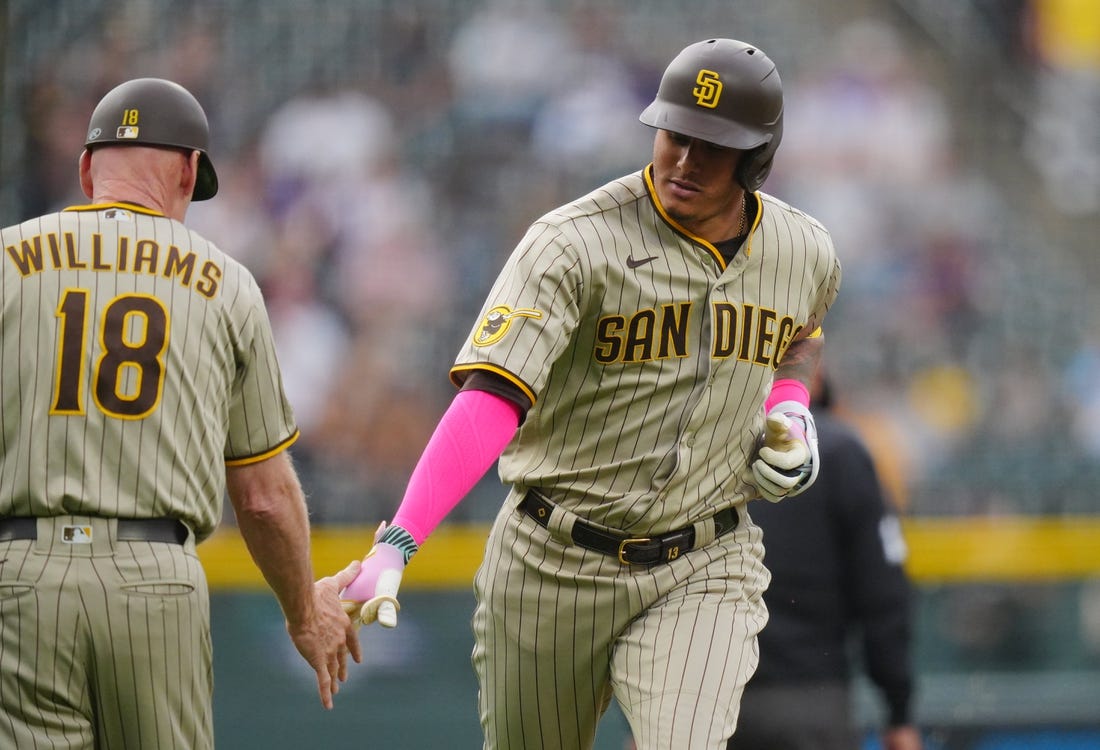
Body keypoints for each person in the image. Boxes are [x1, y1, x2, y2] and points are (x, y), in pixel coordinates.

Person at [341, 38, 842, 748]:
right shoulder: (573, 242)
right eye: (676, 135)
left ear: (756, 157)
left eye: (713, 145)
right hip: (552, 561)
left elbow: (803, 334)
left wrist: (788, 404)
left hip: (704, 561)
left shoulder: (804, 251)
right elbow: (492, 399)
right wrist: (397, 542)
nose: (686, 160)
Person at [0, 78, 361, 750]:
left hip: (22, 574)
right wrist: (304, 612)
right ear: (190, 172)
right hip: (154, 579)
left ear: (86, 169)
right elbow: (261, 499)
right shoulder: (227, 283)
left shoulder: (6, 260)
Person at [727, 372, 923, 750]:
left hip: (705, 699)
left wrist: (645, 721)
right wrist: (899, 711)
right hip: (811, 702)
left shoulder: (708, 451)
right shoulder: (840, 450)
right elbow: (883, 594)